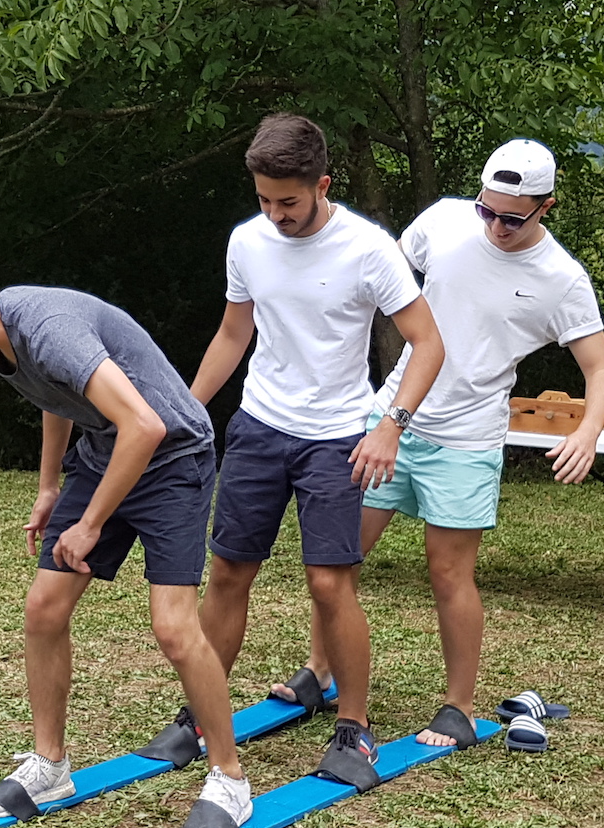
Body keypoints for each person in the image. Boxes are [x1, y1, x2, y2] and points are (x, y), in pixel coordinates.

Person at [0, 241, 253, 828]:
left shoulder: (47, 328)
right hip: (106, 456)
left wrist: (91, 523)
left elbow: (145, 425)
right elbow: (59, 397)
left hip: (173, 457)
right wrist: (50, 487)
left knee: (174, 627)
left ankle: (229, 779)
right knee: (44, 608)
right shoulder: (4, 341)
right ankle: (50, 767)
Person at [273, 139, 604, 749]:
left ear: (547, 207)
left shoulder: (561, 280)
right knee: (339, 557)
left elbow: (599, 370)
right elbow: (376, 280)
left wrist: (587, 433)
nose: (497, 226)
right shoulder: (442, 222)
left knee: (448, 574)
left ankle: (457, 707)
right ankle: (319, 674)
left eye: (514, 217)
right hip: (391, 423)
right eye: (488, 210)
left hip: (466, 439)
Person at [182, 113, 444, 791]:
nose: (275, 215)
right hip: (260, 427)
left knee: (330, 583)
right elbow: (233, 334)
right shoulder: (248, 242)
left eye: (288, 202)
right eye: (264, 200)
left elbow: (428, 342)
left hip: (336, 436)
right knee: (229, 570)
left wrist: (389, 425)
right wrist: (185, 408)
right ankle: (200, 714)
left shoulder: (367, 248)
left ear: (322, 184)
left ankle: (354, 729)